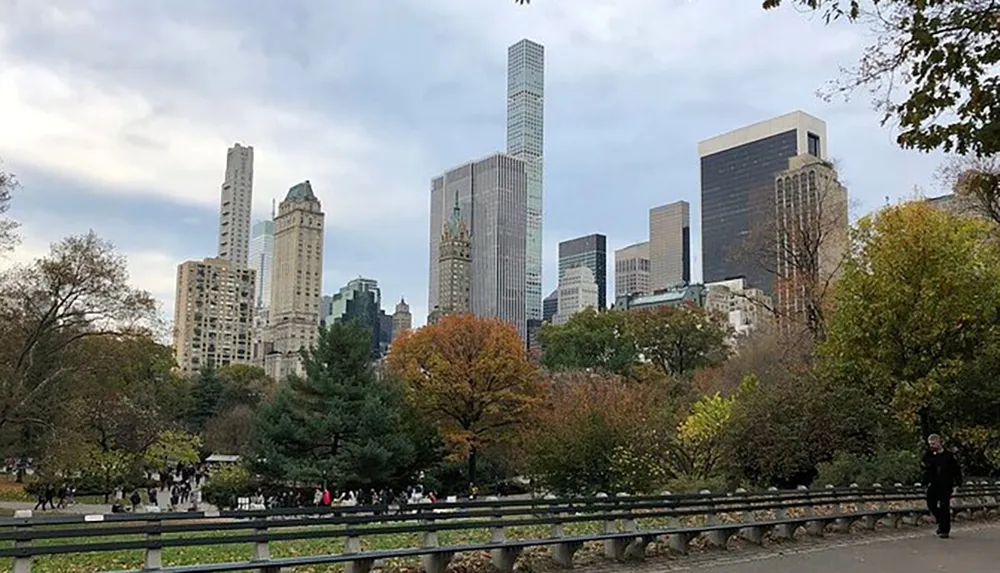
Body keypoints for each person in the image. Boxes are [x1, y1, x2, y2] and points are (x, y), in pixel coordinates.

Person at [921, 433, 963, 538]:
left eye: (933, 443)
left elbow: (956, 470)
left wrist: (957, 484)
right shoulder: (928, 455)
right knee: (931, 503)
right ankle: (941, 521)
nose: (931, 446)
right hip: (933, 484)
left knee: (944, 507)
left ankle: (944, 530)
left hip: (946, 485)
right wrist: (924, 482)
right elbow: (925, 469)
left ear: (940, 442)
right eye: (930, 444)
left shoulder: (948, 456)